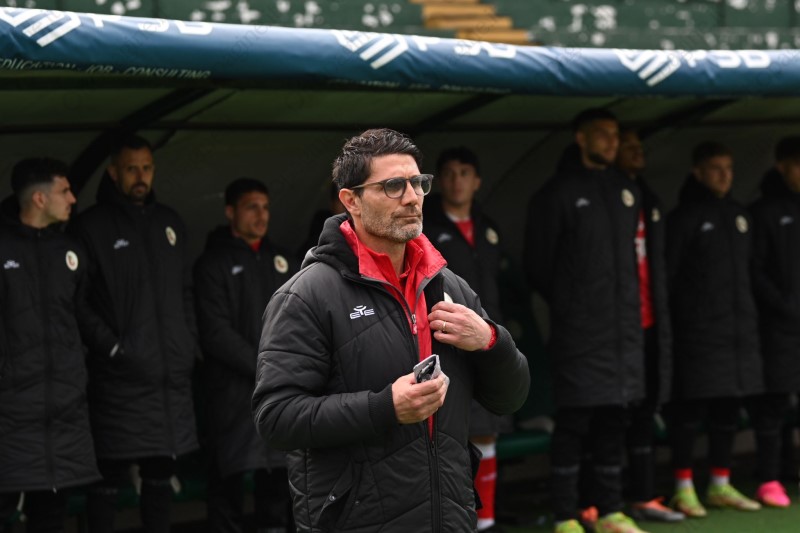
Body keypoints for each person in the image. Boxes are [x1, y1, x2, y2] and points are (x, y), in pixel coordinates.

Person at [252, 128, 530, 532]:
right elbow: (276, 418)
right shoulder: (307, 296)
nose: (412, 197)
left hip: (450, 519)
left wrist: (491, 340)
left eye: (418, 183)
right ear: (351, 200)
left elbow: (512, 398)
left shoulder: (449, 285)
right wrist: (385, 407)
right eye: (393, 186)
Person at [524, 109, 648, 533]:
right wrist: (573, 303)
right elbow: (538, 265)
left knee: (615, 420)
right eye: (602, 134)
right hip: (579, 332)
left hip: (622, 331)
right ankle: (565, 515)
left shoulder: (626, 190)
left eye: (615, 134)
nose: (612, 142)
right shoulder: (557, 193)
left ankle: (610, 511)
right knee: (574, 422)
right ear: (580, 138)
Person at [71, 135, 200, 533]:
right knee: (107, 479)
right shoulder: (91, 226)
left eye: (146, 168)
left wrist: (187, 343)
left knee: (161, 475)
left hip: (170, 377)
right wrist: (112, 348)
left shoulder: (169, 222)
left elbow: (186, 290)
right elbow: (77, 301)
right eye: (131, 169)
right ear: (113, 172)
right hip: (119, 379)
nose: (140, 176)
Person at [0, 158, 100, 533]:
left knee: (53, 514)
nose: (73, 199)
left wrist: (110, 350)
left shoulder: (69, 251)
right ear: (39, 199)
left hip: (65, 408)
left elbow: (82, 314)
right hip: (11, 411)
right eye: (64, 191)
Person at [665, 141, 762, 517]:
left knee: (728, 411)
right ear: (698, 172)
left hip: (739, 334)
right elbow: (670, 277)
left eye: (729, 168)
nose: (724, 175)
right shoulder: (685, 218)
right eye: (716, 168)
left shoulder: (740, 216)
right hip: (698, 335)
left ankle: (721, 483)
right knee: (689, 413)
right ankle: (683, 487)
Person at [194, 178, 296, 532]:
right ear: (230, 212)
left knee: (277, 491)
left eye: (265, 207)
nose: (261, 215)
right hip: (231, 397)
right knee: (228, 490)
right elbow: (215, 332)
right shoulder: (212, 263)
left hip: (279, 393)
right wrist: (267, 366)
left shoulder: (283, 260)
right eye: (252, 207)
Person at [423, 146, 505, 532]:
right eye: (450, 173)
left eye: (465, 173)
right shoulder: (425, 227)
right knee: (449, 431)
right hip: (444, 342)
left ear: (477, 181)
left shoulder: (489, 229)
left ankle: (486, 521)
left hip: (485, 339)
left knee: (487, 428)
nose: (457, 181)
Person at [614, 131, 683, 523]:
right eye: (628, 145)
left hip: (650, 322)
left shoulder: (649, 199)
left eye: (639, 145)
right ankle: (599, 503)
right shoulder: (601, 197)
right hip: (613, 327)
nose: (637, 151)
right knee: (609, 414)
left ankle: (643, 495)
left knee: (645, 409)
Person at [749, 135, 800, 508]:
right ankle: (769, 477)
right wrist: (784, 306)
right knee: (774, 403)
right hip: (778, 326)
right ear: (782, 167)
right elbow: (755, 269)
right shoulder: (763, 211)